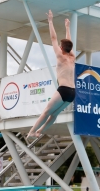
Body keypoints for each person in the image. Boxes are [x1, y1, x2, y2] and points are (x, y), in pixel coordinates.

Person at [27, 10, 76, 139]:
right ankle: (40, 131)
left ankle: (32, 131)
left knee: (47, 112)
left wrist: (50, 21)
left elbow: (53, 38)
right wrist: (67, 27)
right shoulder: (72, 56)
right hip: (72, 93)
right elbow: (69, 43)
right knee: (54, 115)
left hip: (64, 89)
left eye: (60, 45)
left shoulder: (60, 56)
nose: (59, 46)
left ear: (61, 48)